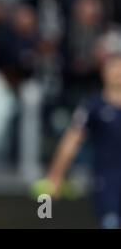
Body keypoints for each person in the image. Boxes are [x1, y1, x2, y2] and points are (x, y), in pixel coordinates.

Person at [45, 48, 121, 229]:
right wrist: (56, 175)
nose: (118, 72)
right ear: (104, 72)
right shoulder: (93, 106)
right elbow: (72, 140)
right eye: (113, 67)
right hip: (108, 182)